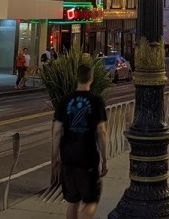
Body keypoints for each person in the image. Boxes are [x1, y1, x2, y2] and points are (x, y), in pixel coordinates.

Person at [51, 63, 108, 219]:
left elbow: (56, 131)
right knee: (90, 201)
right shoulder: (96, 101)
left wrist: (54, 158)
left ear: (77, 77)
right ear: (91, 78)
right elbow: (101, 132)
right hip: (87, 157)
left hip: (68, 157)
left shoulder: (65, 100)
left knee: (72, 201)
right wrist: (104, 159)